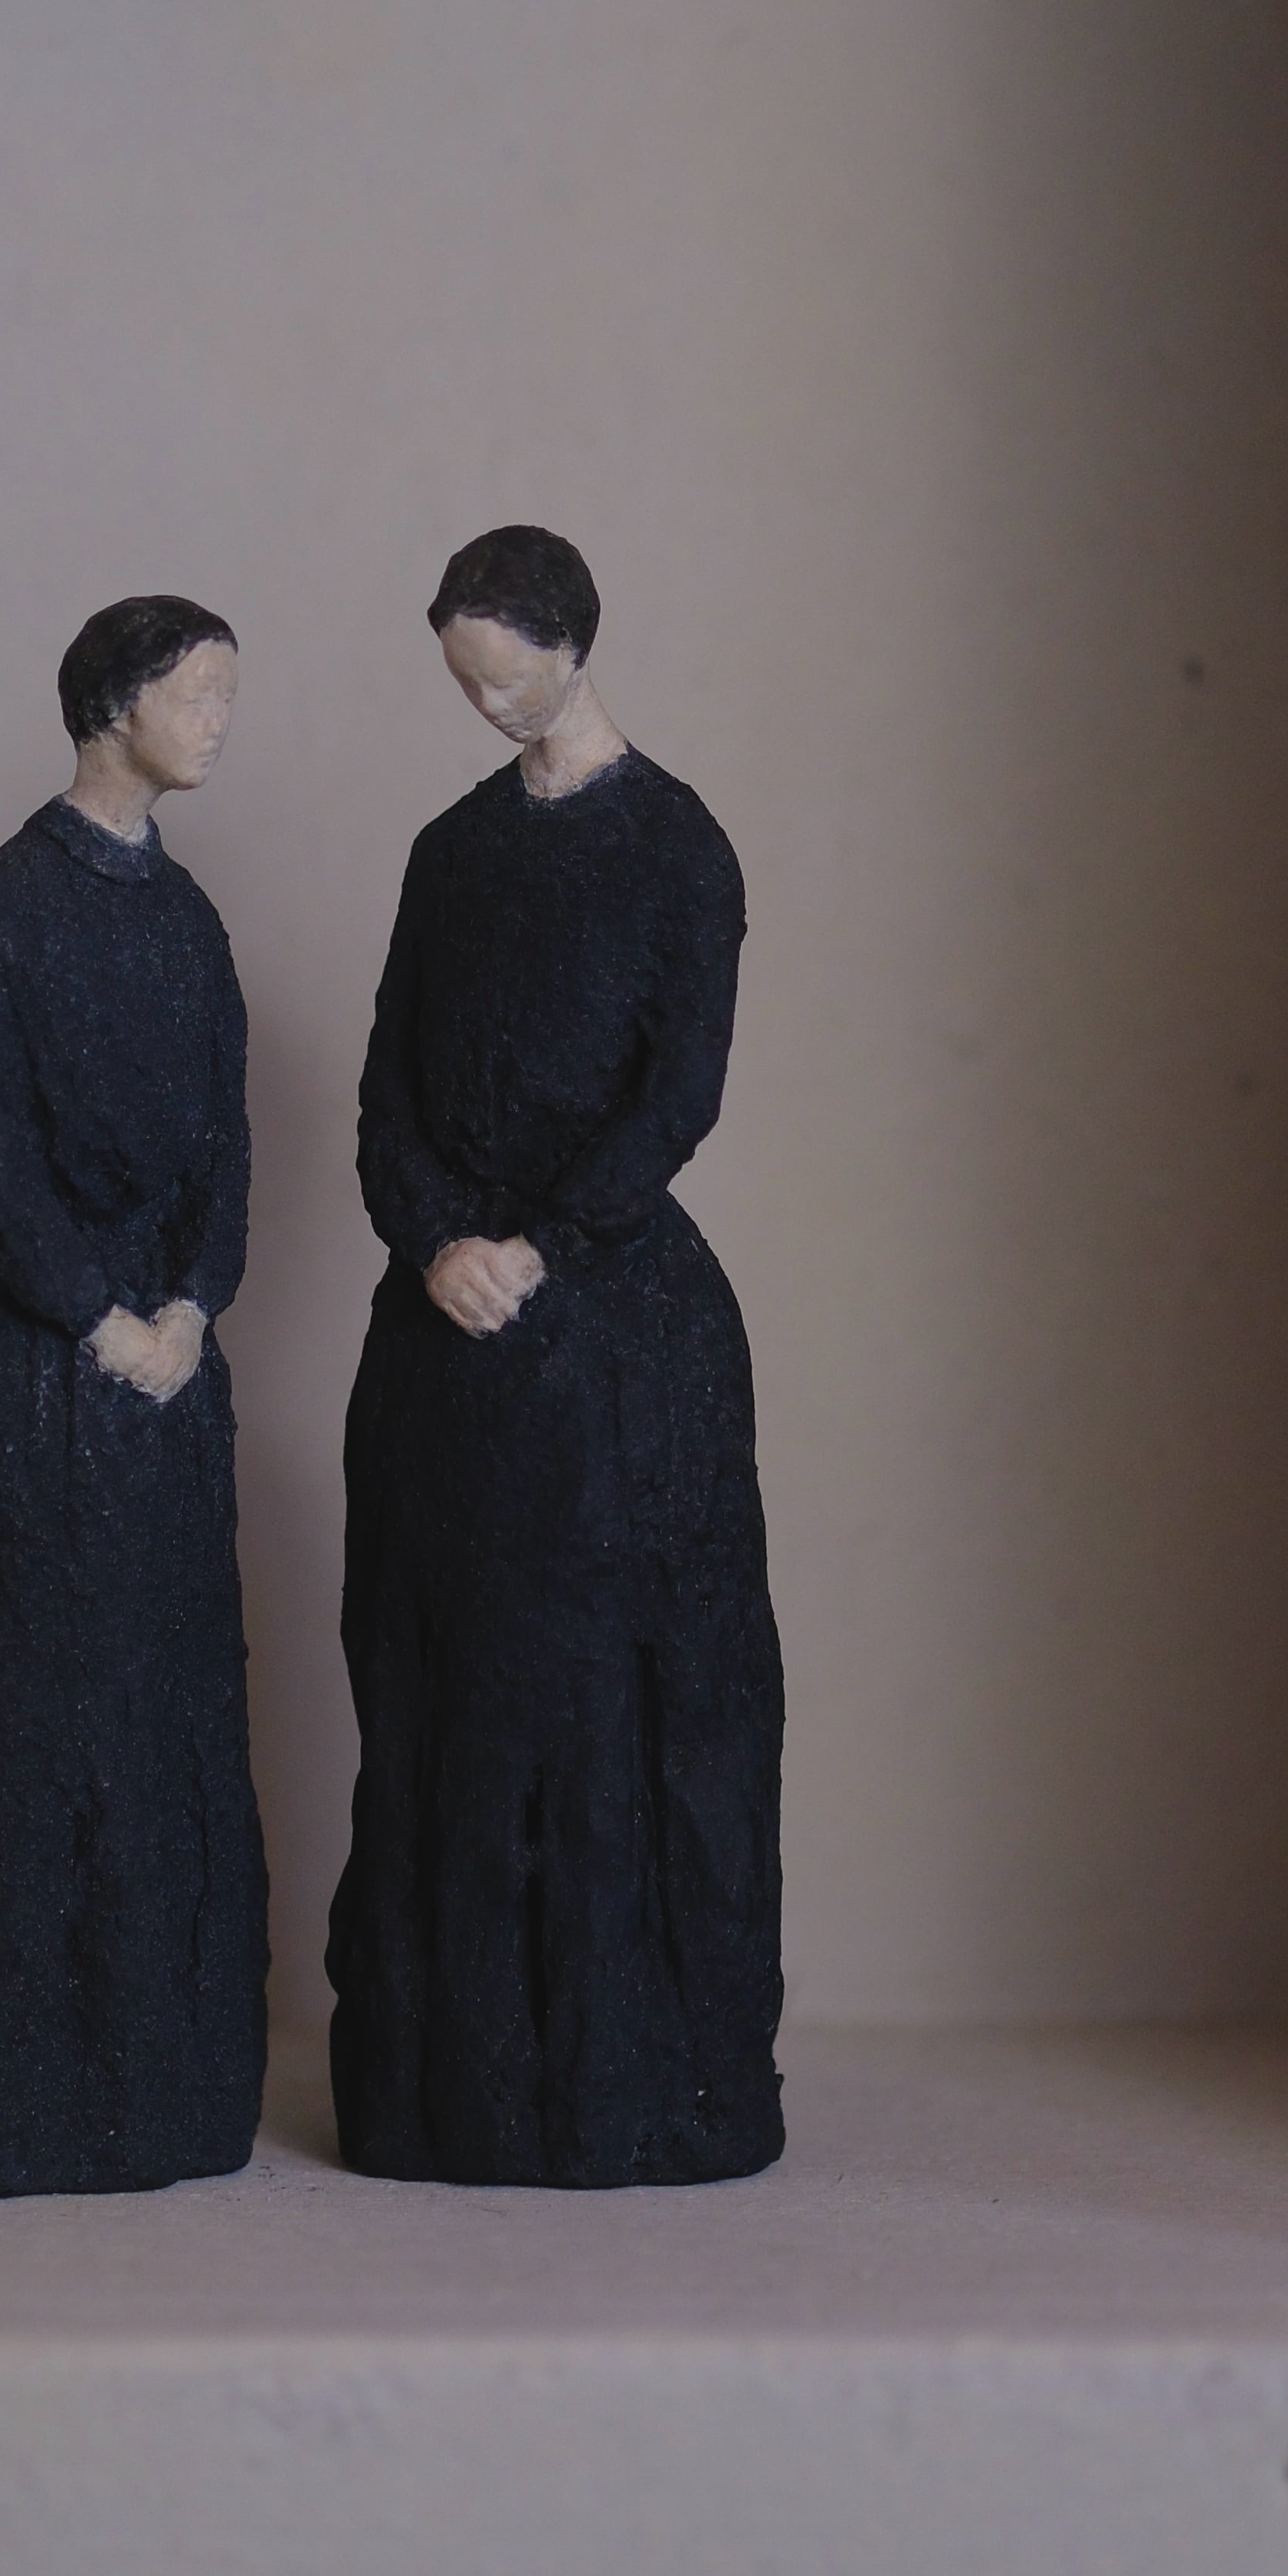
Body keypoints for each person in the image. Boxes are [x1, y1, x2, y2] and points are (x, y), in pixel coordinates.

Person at [326, 525, 785, 2185]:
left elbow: (680, 1093)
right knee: (440, 1688)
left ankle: (628, 2083)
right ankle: (449, 2090)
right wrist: (435, 1241)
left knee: (619, 1698)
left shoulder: (678, 846)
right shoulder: (450, 852)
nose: (482, 703)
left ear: (573, 643)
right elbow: (386, 1084)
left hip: (617, 1336)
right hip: (444, 1339)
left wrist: (544, 1243)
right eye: (460, 680)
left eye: (502, 675)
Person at [0, 595, 267, 2194]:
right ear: (113, 705)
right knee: (25, 1722)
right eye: (196, 693)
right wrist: (100, 1319)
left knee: (156, 1725)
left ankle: (160, 2096)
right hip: (27, 1386)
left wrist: (192, 1304)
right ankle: (6, 2106)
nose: (217, 722)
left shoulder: (192, 923)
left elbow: (226, 1146)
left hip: (167, 1384)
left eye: (226, 695)